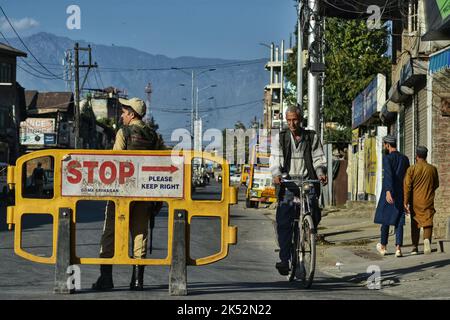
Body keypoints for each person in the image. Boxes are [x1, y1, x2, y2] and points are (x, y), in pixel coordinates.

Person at [92, 97, 161, 291]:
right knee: (140, 235)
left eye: (124, 112)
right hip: (144, 195)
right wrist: (157, 201)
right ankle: (137, 281)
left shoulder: (124, 132)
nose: (122, 115)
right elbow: (161, 165)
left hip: (121, 194)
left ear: (132, 114)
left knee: (109, 234)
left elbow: (115, 161)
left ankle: (106, 279)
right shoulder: (153, 136)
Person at [269, 106, 327, 276]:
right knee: (284, 222)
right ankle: (285, 258)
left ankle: (306, 240)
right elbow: (275, 159)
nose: (291, 123)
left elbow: (318, 158)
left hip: (307, 183)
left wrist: (321, 173)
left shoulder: (311, 137)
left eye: (294, 119)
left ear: (301, 119)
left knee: (314, 214)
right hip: (288, 185)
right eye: (288, 120)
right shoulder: (280, 138)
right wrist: (276, 174)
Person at [374, 135, 410, 257]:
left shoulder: (387, 158)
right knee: (399, 220)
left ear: (388, 145)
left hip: (389, 193)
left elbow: (388, 174)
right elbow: (407, 178)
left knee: (385, 218)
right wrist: (407, 195)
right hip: (401, 192)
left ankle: (383, 246)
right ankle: (398, 248)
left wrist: (388, 191)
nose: (384, 147)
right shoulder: (405, 159)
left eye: (384, 145)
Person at [404, 146, 439, 255]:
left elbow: (407, 186)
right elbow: (436, 184)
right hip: (428, 199)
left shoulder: (412, 169)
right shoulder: (432, 169)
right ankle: (427, 240)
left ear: (417, 156)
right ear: (426, 156)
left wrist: (405, 201)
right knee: (428, 221)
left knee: (415, 223)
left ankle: (414, 247)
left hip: (415, 201)